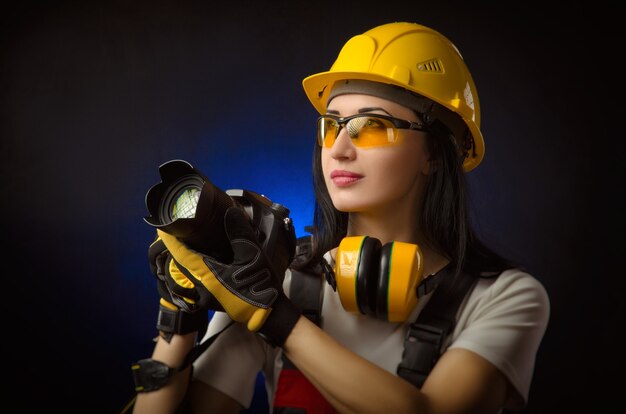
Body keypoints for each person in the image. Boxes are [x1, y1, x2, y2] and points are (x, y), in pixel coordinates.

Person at [130, 21, 550, 414]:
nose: (339, 149)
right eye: (331, 126)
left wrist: (275, 318)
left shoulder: (504, 297)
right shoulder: (275, 276)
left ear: (437, 153)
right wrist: (178, 315)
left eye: (371, 125)